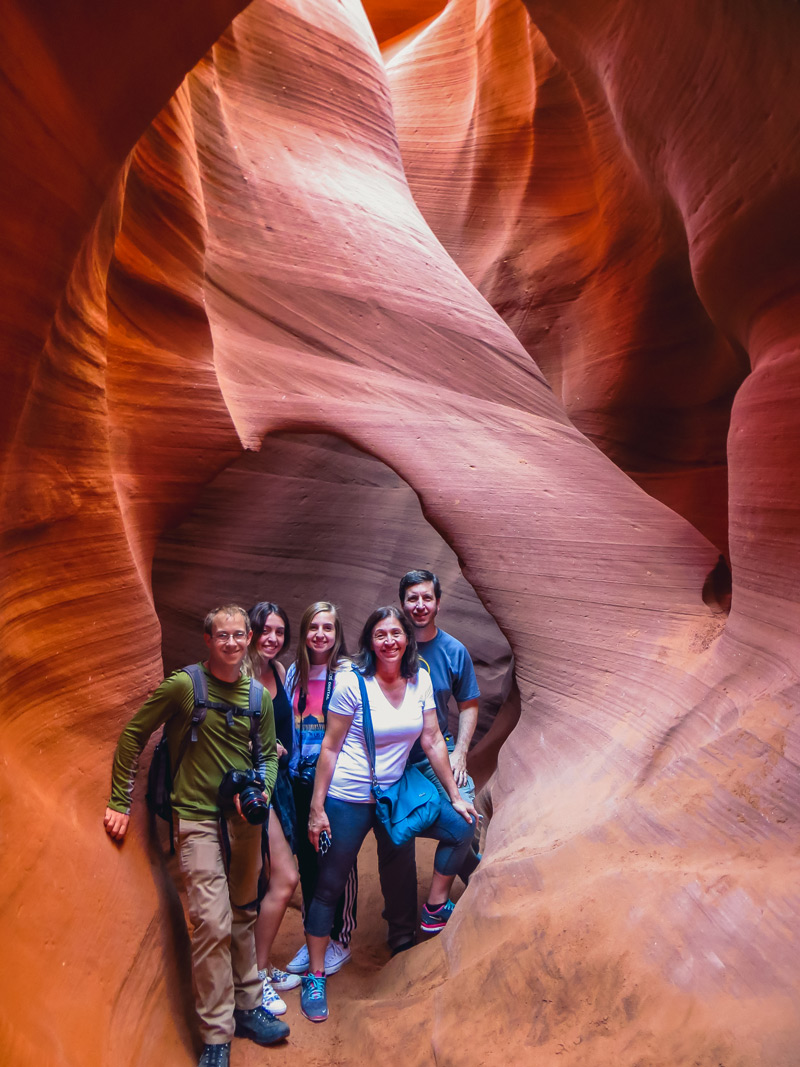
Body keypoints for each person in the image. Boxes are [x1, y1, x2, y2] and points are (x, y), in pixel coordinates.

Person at [103, 605, 290, 1067]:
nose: (231, 643)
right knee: (211, 921)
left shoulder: (257, 700)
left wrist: (260, 794)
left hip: (244, 819)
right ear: (207, 640)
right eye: (221, 636)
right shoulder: (186, 686)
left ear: (248, 639)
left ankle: (248, 1008)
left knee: (245, 912)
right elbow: (133, 734)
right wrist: (119, 800)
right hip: (198, 817)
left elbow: (268, 754)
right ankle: (216, 1034)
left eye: (238, 635)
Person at [299, 606, 478, 1023]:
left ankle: (429, 914)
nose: (390, 641)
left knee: (459, 828)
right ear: (370, 641)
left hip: (392, 794)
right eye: (381, 635)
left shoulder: (420, 678)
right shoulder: (352, 681)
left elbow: (433, 739)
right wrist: (317, 808)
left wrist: (453, 793)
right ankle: (316, 974)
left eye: (396, 633)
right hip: (348, 797)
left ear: (407, 639)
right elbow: (330, 745)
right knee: (329, 884)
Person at [382, 569, 482, 950]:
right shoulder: (390, 645)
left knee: (465, 816)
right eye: (412, 598)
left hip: (436, 753)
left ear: (438, 602)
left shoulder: (454, 651)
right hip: (395, 760)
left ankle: (441, 904)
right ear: (402, 603)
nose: (420, 605)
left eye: (426, 598)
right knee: (396, 839)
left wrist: (460, 751)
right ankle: (399, 930)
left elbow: (469, 704)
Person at [283, 602, 356, 977]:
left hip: (332, 780)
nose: (320, 635)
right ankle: (316, 936)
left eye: (328, 627)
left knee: (337, 859)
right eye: (314, 627)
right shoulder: (295, 671)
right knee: (308, 860)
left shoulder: (346, 673)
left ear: (337, 633)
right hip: (297, 777)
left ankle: (340, 938)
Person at [245, 602, 301, 1016]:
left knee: (268, 879)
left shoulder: (279, 672)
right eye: (265, 630)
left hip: (279, 784)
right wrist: (261, 748)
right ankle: (256, 975)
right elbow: (222, 730)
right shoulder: (239, 674)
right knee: (284, 877)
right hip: (250, 789)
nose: (272, 638)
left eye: (279, 631)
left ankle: (258, 966)